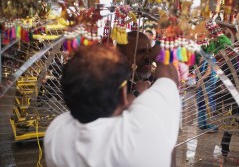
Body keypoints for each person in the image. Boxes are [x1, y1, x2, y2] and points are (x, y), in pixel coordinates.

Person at [44, 44, 180, 167]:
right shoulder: (143, 127)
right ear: (123, 94)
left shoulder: (55, 133)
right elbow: (169, 78)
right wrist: (161, 48)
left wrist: (136, 93)